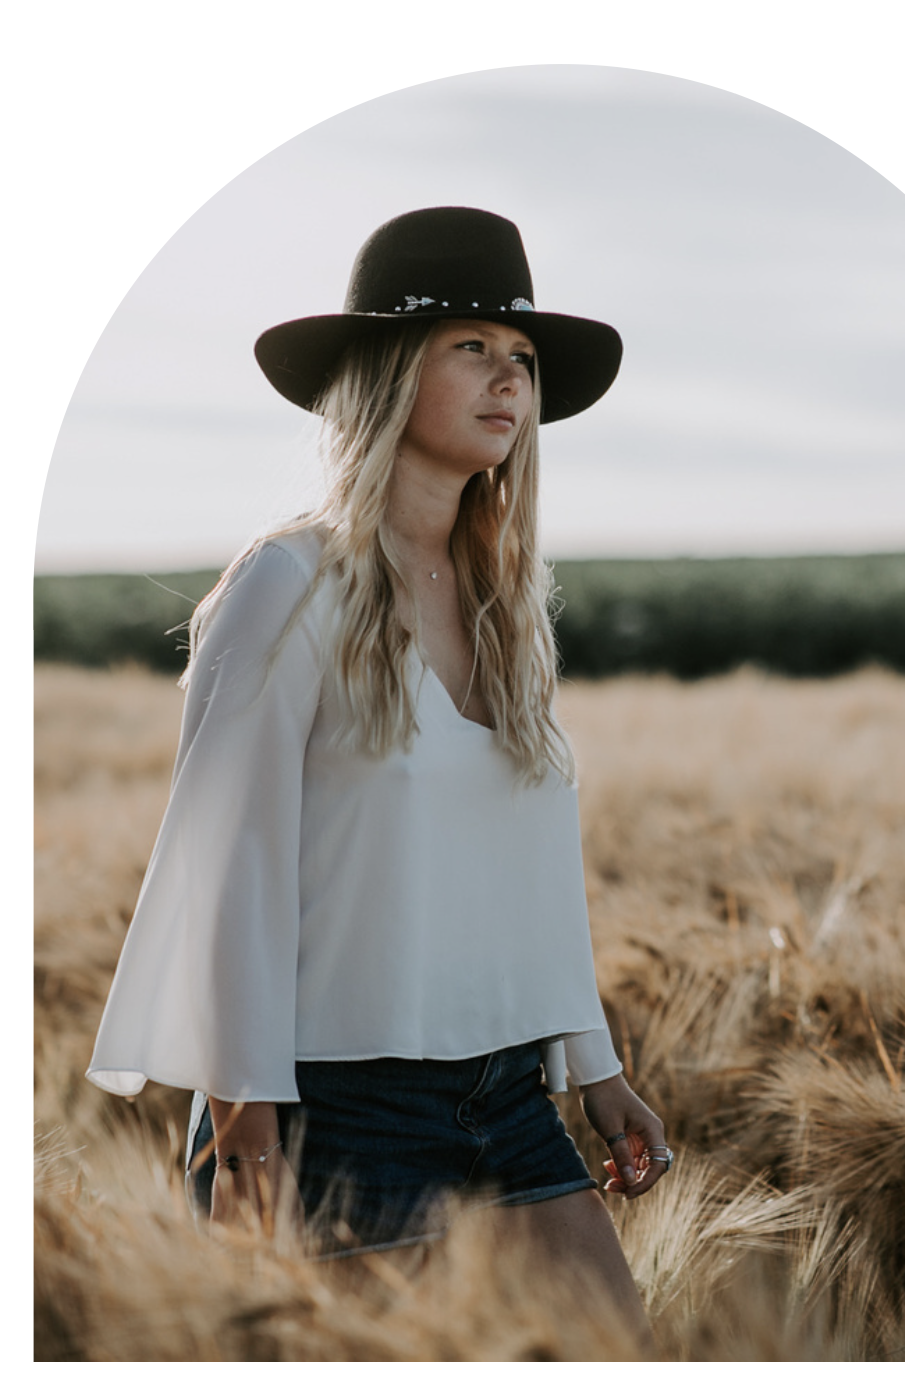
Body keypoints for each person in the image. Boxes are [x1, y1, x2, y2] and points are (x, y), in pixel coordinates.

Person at [86, 207, 670, 1327]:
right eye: (472, 347)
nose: (509, 380)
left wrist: (594, 1068)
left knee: (621, 1346)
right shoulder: (288, 585)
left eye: (524, 359)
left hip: (509, 1093)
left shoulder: (509, 611)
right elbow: (230, 862)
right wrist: (244, 1114)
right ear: (390, 371)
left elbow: (532, 873)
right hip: (338, 1103)